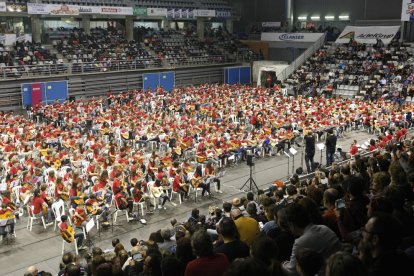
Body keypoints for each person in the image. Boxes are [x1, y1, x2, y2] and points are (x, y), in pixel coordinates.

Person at [282, 203, 343, 276]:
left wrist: (283, 264)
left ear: (292, 225)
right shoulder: (324, 228)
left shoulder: (300, 243)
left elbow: (292, 271)